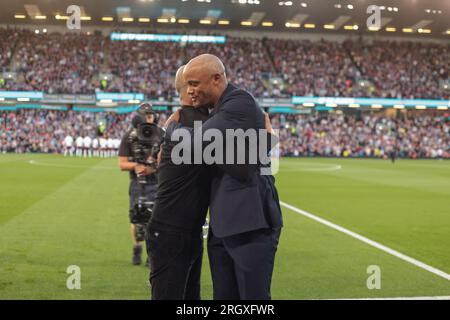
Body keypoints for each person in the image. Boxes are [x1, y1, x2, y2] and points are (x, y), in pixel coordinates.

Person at [166, 54, 283, 300]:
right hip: (223, 224)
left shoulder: (238, 101)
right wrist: (266, 142)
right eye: (188, 85)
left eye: (195, 83)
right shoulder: (217, 111)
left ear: (217, 79)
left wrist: (170, 128)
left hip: (250, 223)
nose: (190, 91)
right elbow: (240, 165)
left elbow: (194, 143)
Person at [146, 65, 211, 300]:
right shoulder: (192, 121)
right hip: (172, 232)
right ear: (190, 88)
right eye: (198, 83)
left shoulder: (178, 121)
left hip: (183, 230)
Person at [118, 104, 163, 265]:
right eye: (146, 116)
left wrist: (154, 166)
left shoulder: (160, 135)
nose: (149, 119)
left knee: (155, 219)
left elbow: (166, 160)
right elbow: (122, 164)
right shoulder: (129, 137)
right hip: (137, 183)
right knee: (137, 218)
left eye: (151, 116)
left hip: (157, 182)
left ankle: (152, 254)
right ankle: (137, 249)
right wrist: (137, 166)